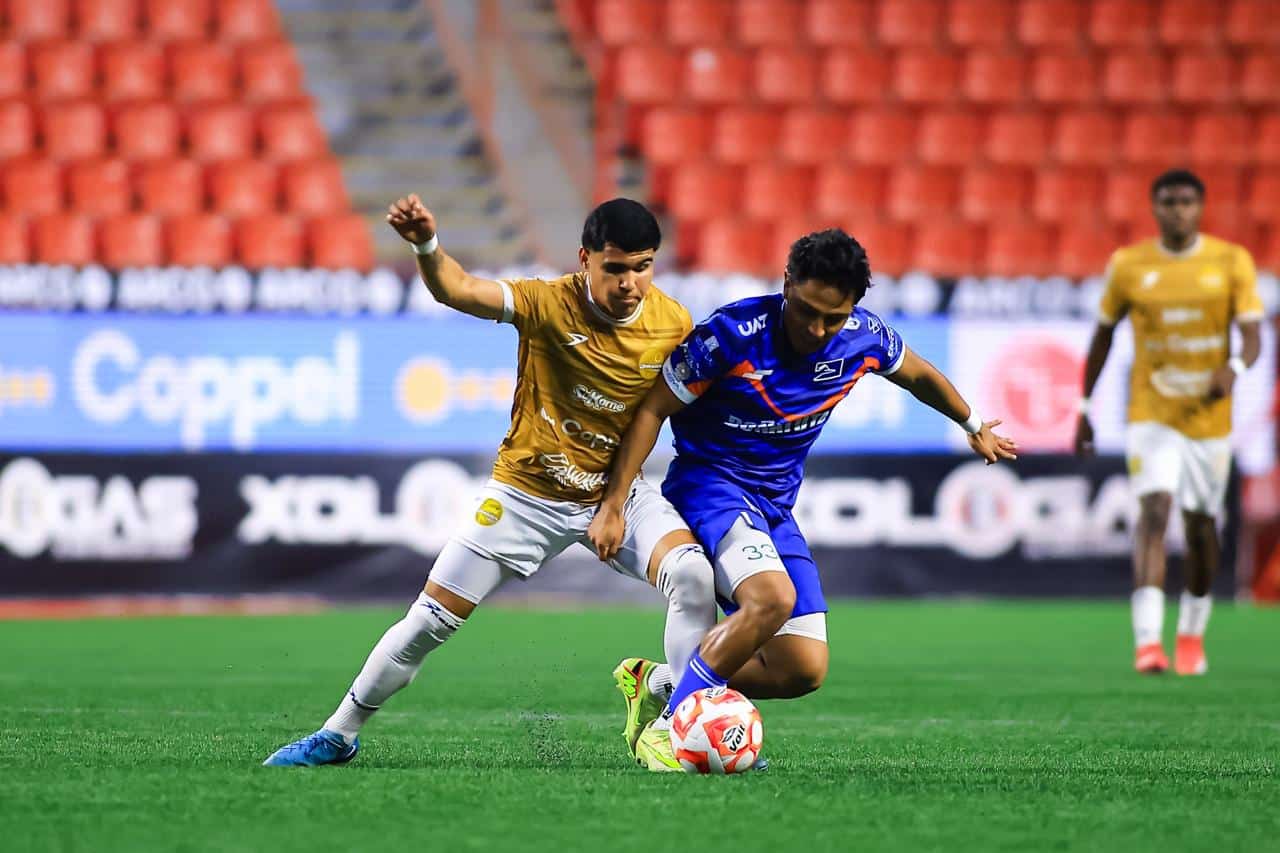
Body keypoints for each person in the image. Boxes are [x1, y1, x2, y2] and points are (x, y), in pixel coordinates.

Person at [264, 196, 718, 766]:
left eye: (643, 267)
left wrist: (613, 504)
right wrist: (426, 244)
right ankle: (337, 734)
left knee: (693, 576)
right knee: (428, 623)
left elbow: (657, 417)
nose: (630, 284)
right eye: (616, 268)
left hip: (615, 493)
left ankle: (686, 729)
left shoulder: (672, 323)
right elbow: (455, 288)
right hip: (525, 495)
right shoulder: (546, 303)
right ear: (585, 260)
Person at [588, 228, 1017, 770]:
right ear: (787, 283)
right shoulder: (731, 335)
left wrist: (972, 424)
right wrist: (614, 502)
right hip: (711, 486)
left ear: (853, 309)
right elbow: (653, 408)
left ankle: (661, 681)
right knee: (771, 599)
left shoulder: (863, 337)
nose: (815, 330)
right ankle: (672, 728)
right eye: (806, 311)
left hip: (774, 506)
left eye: (831, 318)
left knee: (801, 668)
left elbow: (917, 374)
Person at [1074, 169, 1263, 677]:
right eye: (1167, 201)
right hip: (1150, 412)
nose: (1177, 210)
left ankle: (1192, 634)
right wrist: (1085, 408)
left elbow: (1253, 336)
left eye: (1185, 201)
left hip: (1208, 418)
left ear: (1200, 207)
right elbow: (1102, 336)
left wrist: (1234, 368)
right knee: (1154, 513)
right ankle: (1147, 644)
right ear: (1154, 208)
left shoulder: (1230, 261)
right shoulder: (1129, 265)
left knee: (1201, 528)